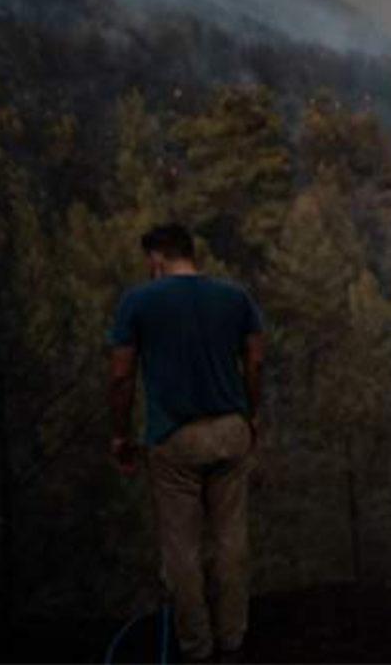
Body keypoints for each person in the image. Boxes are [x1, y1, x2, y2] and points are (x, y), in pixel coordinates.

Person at [108, 223, 265, 662]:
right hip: (231, 430)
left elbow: (121, 376)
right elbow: (255, 360)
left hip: (174, 435)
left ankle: (196, 645)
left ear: (158, 257)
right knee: (232, 538)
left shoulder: (138, 301)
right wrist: (252, 412)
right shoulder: (235, 298)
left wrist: (120, 434)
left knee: (182, 547)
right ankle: (233, 638)